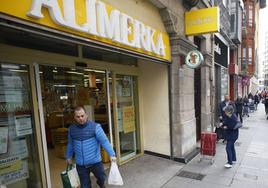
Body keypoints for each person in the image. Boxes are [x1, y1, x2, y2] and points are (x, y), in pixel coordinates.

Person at [66, 106, 116, 188]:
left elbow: (104, 141)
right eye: (78, 117)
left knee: (102, 178)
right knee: (85, 185)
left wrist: (112, 154)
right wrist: (68, 156)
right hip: (81, 164)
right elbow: (70, 144)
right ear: (74, 117)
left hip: (95, 162)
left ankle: (100, 183)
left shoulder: (95, 127)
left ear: (86, 115)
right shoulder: (71, 129)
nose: (81, 118)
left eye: (82, 116)